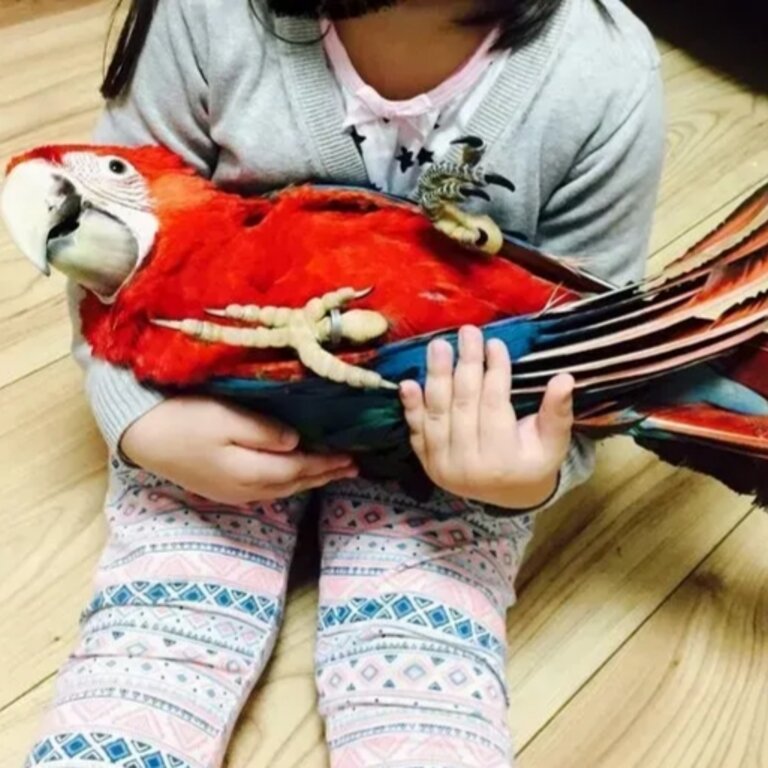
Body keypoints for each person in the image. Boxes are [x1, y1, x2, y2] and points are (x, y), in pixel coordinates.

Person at [25, 1, 664, 766]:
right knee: (153, 657)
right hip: (206, 401)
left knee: (422, 680)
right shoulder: (201, 17)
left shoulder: (605, 77)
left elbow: (602, 352)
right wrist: (139, 420)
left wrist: (521, 474)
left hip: (451, 452)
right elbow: (113, 259)